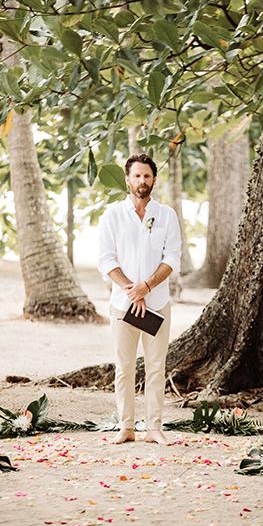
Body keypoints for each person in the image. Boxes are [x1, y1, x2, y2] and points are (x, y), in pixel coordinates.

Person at [97, 154, 181, 445]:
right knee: (124, 367)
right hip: (123, 306)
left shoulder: (167, 215)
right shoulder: (112, 216)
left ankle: (154, 428)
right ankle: (126, 427)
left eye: (147, 176)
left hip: (156, 304)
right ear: (128, 179)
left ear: (154, 180)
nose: (142, 181)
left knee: (157, 367)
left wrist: (146, 287)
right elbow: (105, 259)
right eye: (136, 176)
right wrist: (131, 290)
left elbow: (172, 258)